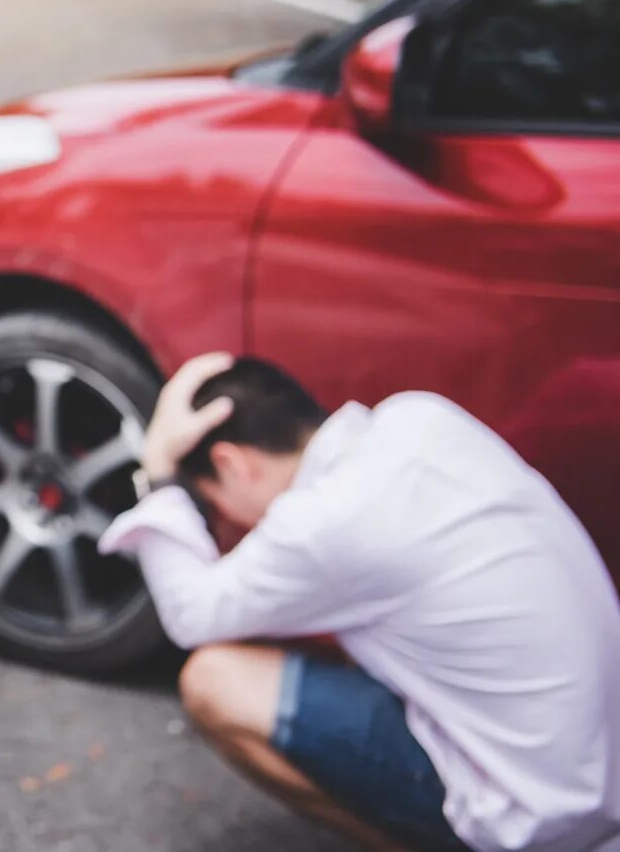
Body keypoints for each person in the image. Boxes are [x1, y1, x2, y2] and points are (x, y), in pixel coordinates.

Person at [102, 354, 620, 851]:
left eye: (213, 502)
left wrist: (158, 474)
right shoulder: (419, 416)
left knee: (214, 680)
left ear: (230, 463)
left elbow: (192, 616)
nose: (228, 521)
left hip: (536, 815)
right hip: (598, 775)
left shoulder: (323, 523)